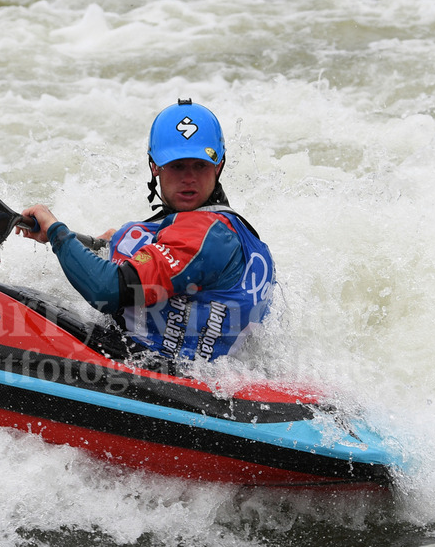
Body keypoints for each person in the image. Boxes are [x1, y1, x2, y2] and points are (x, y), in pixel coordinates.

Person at [20, 99, 275, 362]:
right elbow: (156, 255)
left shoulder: (207, 237)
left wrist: (56, 232)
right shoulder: (223, 226)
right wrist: (80, 241)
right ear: (155, 166)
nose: (189, 178)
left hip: (174, 385)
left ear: (219, 165)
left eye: (200, 165)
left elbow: (107, 291)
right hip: (205, 371)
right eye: (177, 165)